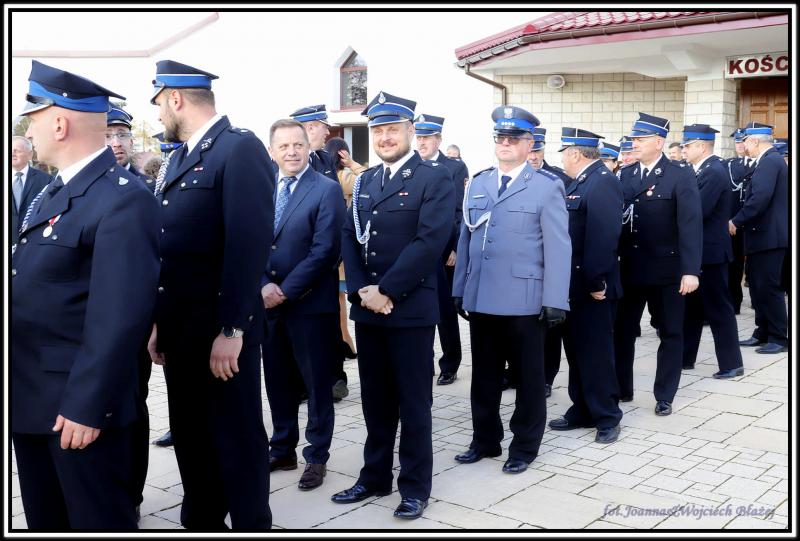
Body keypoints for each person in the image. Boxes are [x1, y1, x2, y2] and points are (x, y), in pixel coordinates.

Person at [11, 60, 160, 530]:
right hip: (33, 397)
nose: (28, 132)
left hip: (74, 410)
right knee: (47, 520)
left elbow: (119, 318)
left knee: (95, 521)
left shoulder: (122, 198)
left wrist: (86, 405)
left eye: (33, 119)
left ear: (59, 123)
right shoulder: (58, 189)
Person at [146, 59, 273, 530]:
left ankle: (251, 524)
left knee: (236, 439)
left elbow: (248, 245)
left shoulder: (238, 149)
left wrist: (233, 329)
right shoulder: (179, 157)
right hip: (181, 332)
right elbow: (169, 248)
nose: (159, 115)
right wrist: (159, 324)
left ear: (176, 98)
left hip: (221, 333)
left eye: (160, 104)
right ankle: (201, 521)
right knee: (191, 437)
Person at [334, 91, 453, 520]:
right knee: (375, 400)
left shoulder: (434, 178)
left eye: (392, 129)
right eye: (378, 130)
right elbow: (349, 236)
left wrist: (386, 290)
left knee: (414, 403)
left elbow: (430, 241)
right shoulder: (366, 181)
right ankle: (374, 476)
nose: (384, 137)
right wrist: (362, 290)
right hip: (369, 309)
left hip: (410, 310)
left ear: (410, 131)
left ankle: (415, 487)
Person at [452, 105, 570, 474]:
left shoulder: (546, 187)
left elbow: (558, 247)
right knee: (484, 376)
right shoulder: (479, 182)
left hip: (524, 301)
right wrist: (460, 287)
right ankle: (485, 440)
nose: (505, 144)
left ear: (529, 144)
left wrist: (555, 299)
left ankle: (524, 447)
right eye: (500, 138)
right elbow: (466, 237)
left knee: (528, 380)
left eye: (513, 139)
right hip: (483, 297)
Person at [261, 119, 345, 490]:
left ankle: (316, 456)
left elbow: (325, 250)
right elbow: (248, 241)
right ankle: (282, 449)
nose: (292, 152)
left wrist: (284, 290)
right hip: (268, 306)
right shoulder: (262, 189)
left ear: (308, 148)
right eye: (284, 146)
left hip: (309, 305)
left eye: (298, 144)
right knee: (277, 381)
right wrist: (262, 286)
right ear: (272, 151)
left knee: (316, 385)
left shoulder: (326, 190)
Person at [614, 113, 702, 416]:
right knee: (622, 331)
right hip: (630, 268)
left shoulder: (679, 174)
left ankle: (664, 394)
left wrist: (690, 270)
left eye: (640, 139)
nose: (634, 143)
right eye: (633, 139)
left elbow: (690, 225)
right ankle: (621, 388)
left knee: (670, 332)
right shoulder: (625, 175)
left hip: (667, 270)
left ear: (659, 142)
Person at [548, 128, 623, 444]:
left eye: (565, 154)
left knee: (596, 354)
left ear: (575, 153)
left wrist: (595, 280)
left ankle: (607, 416)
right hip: (575, 286)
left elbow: (603, 238)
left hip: (594, 287)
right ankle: (581, 408)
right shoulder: (580, 182)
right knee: (577, 352)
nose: (563, 160)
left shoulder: (602, 182)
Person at [679, 124, 744, 379]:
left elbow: (698, 210)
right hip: (700, 252)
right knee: (692, 309)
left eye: (687, 146)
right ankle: (686, 358)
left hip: (711, 253)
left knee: (719, 310)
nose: (683, 150)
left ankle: (731, 363)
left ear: (701, 146)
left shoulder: (714, 171)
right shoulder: (700, 169)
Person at [414, 113, 469, 385]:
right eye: (419, 137)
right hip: (417, 249)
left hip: (445, 250)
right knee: (420, 308)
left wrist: (456, 248)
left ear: (438, 140)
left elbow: (457, 211)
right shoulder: (412, 164)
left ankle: (450, 363)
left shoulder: (453, 167)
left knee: (445, 312)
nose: (422, 142)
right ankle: (423, 361)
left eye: (427, 137)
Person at [731, 122, 789, 354]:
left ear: (754, 141)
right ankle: (762, 331)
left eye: (745, 141)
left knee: (769, 287)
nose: (743, 146)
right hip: (761, 236)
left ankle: (779, 337)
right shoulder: (768, 161)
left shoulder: (770, 162)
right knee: (757, 286)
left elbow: (760, 198)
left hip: (769, 237)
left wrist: (736, 221)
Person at [524, 125, 572, 398]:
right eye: (530, 150)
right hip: (522, 267)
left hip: (547, 263)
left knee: (550, 329)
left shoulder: (558, 179)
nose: (533, 156)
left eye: (538, 150)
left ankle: (547, 378)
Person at [324, 136, 366, 401]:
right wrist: (352, 163)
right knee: (345, 300)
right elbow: (366, 178)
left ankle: (346, 341)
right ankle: (347, 341)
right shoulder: (345, 176)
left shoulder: (326, 175)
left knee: (337, 301)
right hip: (345, 249)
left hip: (333, 249)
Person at [726, 128, 755, 315]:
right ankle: (734, 301)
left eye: (742, 141)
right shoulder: (729, 164)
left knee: (754, 264)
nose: (739, 146)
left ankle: (757, 299)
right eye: (737, 142)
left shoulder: (760, 163)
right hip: (734, 223)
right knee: (734, 262)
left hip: (752, 220)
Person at [11, 135, 52, 246]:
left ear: (30, 155)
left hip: (33, 241)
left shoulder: (46, 180)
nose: (12, 153)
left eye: (17, 150)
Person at [106, 105, 152, 188]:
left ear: (131, 143)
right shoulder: (86, 187)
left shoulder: (150, 188)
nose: (117, 143)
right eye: (107, 136)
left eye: (122, 135)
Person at [289, 104, 339, 181]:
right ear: (311, 128)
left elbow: (336, 188)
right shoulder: (287, 160)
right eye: (325, 127)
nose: (328, 132)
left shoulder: (326, 159)